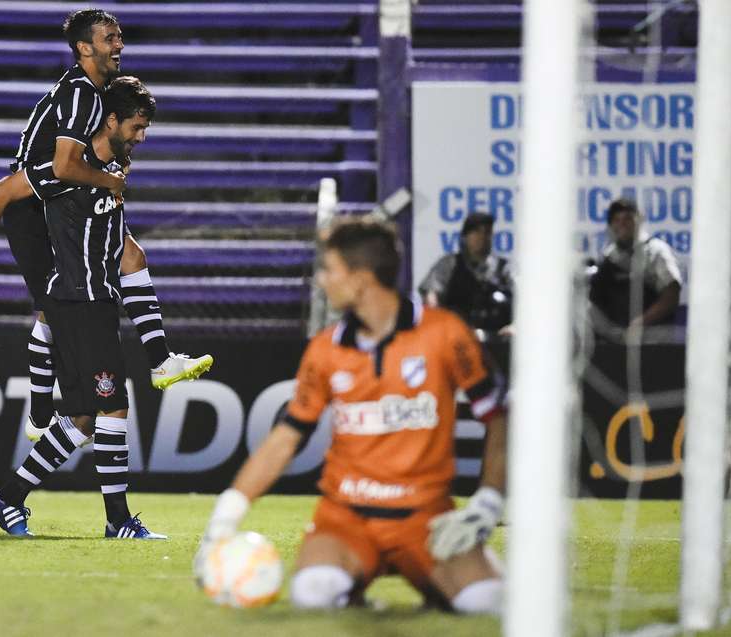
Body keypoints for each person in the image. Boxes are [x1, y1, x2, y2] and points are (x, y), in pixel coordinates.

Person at [194, 218, 507, 613]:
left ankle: (442, 587)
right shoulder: (325, 350)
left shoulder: (445, 333)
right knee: (314, 593)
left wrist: (487, 503)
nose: (322, 280)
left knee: (487, 602)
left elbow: (499, 416)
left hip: (427, 518)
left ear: (360, 280)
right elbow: (287, 436)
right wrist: (226, 516)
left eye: (330, 269)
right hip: (346, 520)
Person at [0, 9, 212, 444]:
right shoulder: (82, 95)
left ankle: (161, 360)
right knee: (55, 306)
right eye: (110, 38)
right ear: (84, 48)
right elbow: (39, 176)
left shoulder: (99, 91)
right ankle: (39, 413)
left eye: (120, 36)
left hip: (64, 191)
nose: (119, 45)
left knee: (132, 256)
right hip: (35, 202)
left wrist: (113, 164)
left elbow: (89, 154)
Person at [0, 76, 166, 539]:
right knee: (114, 408)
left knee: (85, 416)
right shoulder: (64, 172)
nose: (142, 137)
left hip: (93, 302)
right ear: (111, 121)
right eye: (137, 127)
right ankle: (118, 521)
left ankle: (8, 499)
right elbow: (1, 193)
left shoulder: (113, 174)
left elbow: (123, 249)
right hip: (79, 302)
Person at [589, 198, 682, 335]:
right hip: (615, 340)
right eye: (616, 219)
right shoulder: (609, 256)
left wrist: (640, 323)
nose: (622, 224)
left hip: (654, 339)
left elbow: (671, 293)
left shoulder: (655, 251)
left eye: (627, 219)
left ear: (639, 221)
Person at [418, 212, 514, 335]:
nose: (482, 237)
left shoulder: (504, 268)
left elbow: (527, 300)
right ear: (465, 236)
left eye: (487, 232)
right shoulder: (449, 264)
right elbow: (431, 297)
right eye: (477, 232)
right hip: (456, 338)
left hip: (498, 338)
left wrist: (515, 326)